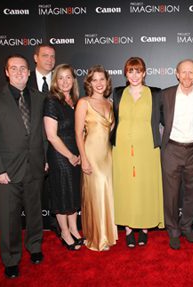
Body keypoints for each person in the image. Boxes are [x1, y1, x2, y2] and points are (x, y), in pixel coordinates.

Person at [0, 54, 46, 278]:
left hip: (35, 166)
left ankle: (35, 246)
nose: (19, 72)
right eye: (14, 68)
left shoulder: (38, 98)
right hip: (6, 171)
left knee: (35, 212)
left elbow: (41, 134)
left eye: (23, 68)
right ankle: (11, 258)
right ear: (6, 72)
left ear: (29, 72)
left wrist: (44, 158)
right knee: (9, 217)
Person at [111, 57, 164, 248]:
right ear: (125, 73)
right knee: (126, 188)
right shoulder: (117, 93)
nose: (134, 75)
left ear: (144, 73)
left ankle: (143, 229)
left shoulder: (155, 94)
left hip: (147, 149)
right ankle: (128, 230)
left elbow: (166, 118)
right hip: (122, 149)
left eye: (138, 71)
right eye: (130, 71)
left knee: (144, 187)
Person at [161, 59, 193, 250]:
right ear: (177, 74)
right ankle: (173, 230)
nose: (187, 76)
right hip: (172, 149)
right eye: (183, 72)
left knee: (191, 192)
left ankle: (187, 226)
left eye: (191, 72)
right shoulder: (165, 95)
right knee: (170, 194)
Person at [75, 65, 118, 251]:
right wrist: (83, 158)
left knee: (108, 192)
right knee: (96, 193)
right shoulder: (83, 102)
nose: (99, 83)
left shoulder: (110, 103)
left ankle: (109, 235)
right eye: (95, 80)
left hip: (108, 154)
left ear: (107, 82)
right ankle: (97, 238)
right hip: (91, 153)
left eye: (102, 79)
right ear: (89, 83)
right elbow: (78, 133)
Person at [43, 64, 83, 250]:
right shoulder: (52, 101)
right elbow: (51, 135)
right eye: (61, 78)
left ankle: (74, 230)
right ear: (55, 81)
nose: (65, 81)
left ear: (73, 80)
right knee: (62, 195)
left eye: (68, 77)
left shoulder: (75, 101)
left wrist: (79, 154)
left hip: (75, 154)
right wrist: (70, 156)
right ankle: (65, 233)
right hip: (60, 155)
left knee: (73, 193)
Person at [27, 43, 60, 237]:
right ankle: (35, 233)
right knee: (33, 197)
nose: (49, 59)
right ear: (35, 58)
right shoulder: (24, 80)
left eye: (52, 56)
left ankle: (59, 226)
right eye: (45, 55)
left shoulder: (60, 80)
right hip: (32, 148)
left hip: (56, 146)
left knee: (57, 189)